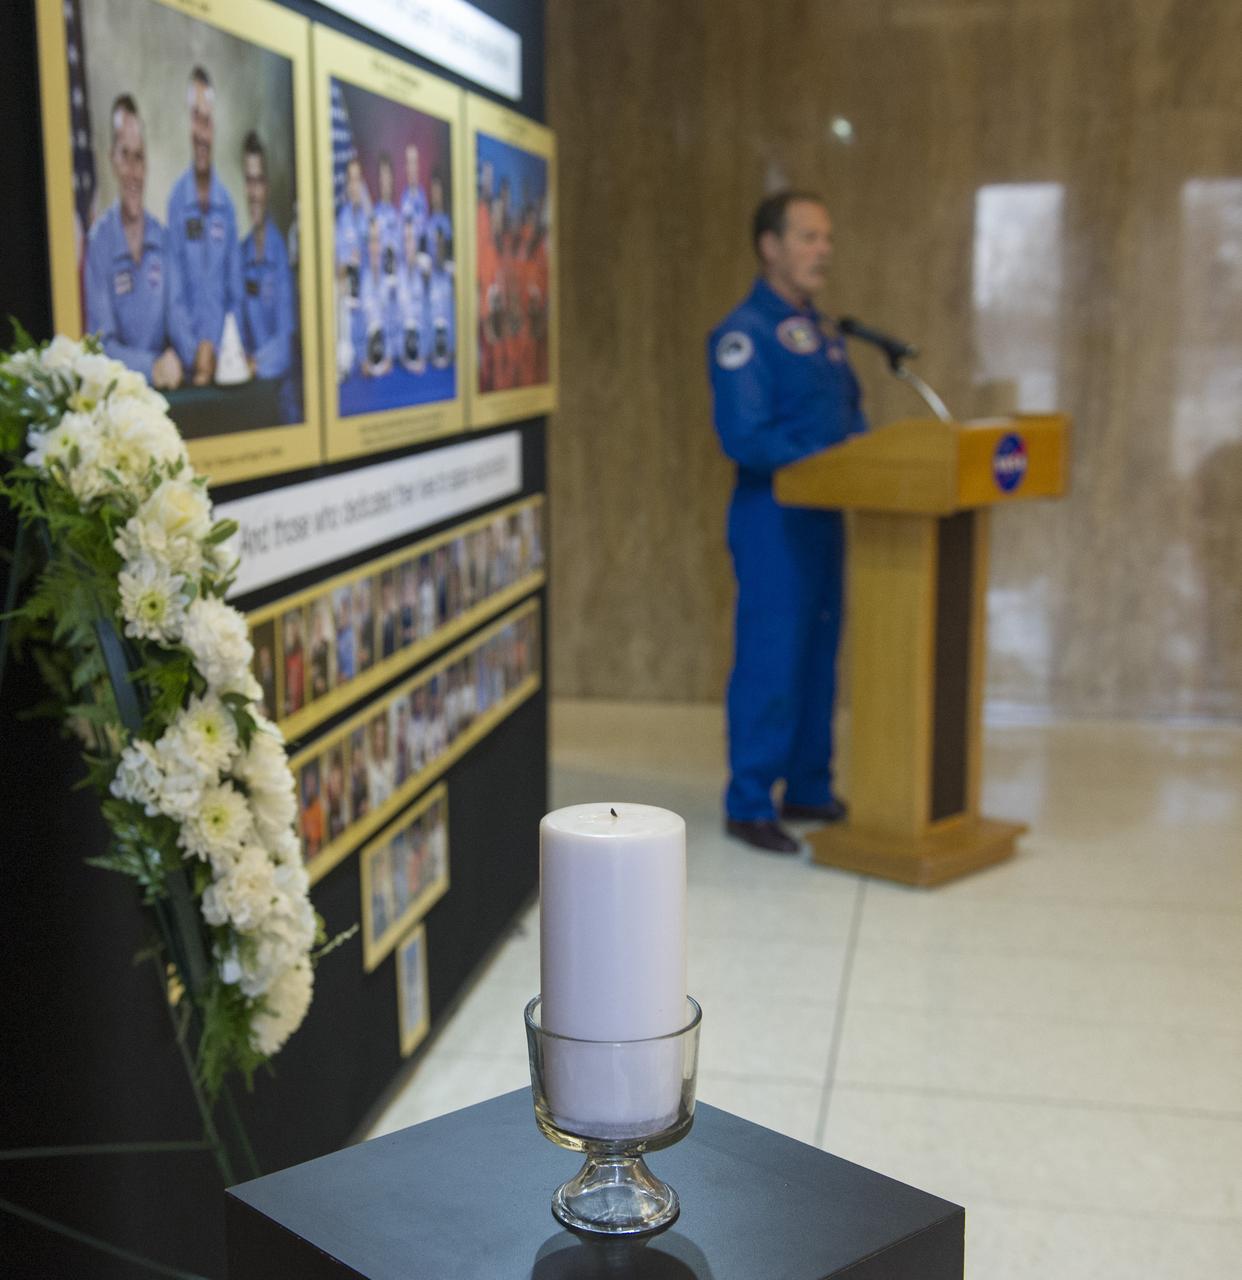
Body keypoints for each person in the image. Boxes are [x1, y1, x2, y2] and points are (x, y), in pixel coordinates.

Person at [707, 191, 867, 854]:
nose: (823, 250)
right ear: (770, 246)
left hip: (824, 513)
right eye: (808, 237)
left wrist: (864, 462)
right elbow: (747, 436)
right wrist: (829, 463)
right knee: (773, 658)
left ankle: (806, 785)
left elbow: (849, 420)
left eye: (826, 238)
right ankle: (749, 800)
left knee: (818, 656)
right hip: (773, 516)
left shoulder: (823, 335)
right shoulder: (745, 334)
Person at [84, 95, 182, 389]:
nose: (133, 171)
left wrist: (195, 355)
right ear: (112, 158)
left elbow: (176, 320)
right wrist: (151, 368)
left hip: (165, 393)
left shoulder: (162, 239)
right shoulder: (98, 243)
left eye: (139, 157)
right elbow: (101, 346)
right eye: (124, 155)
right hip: (118, 397)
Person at [166, 66, 242, 387]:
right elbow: (174, 295)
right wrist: (195, 351)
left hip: (227, 365)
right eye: (196, 117)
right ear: (188, 121)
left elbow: (236, 294)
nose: (202, 131)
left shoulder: (227, 206)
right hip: (188, 368)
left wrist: (221, 349)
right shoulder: (176, 202)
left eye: (207, 120)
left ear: (215, 126)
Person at [238, 132, 295, 401]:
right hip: (249, 398)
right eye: (248, 182)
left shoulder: (281, 253)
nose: (253, 192)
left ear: (267, 187)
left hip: (281, 401)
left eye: (258, 181)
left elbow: (286, 343)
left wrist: (253, 364)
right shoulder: (241, 255)